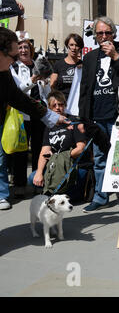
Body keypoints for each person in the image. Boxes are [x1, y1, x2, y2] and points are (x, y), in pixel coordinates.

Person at [78, 16, 119, 212]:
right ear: (95, 36)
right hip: (98, 116)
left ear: (114, 33)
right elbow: (85, 89)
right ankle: (101, 196)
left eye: (108, 32)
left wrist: (116, 57)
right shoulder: (90, 57)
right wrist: (83, 119)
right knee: (100, 158)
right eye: (100, 33)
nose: (104, 36)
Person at [0, 27, 68, 210]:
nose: (16, 60)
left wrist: (51, 116)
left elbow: (18, 98)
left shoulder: (4, 73)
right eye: (13, 57)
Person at [9, 31, 51, 197]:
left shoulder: (39, 64)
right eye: (20, 47)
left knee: (40, 149)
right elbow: (16, 91)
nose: (23, 50)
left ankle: (37, 180)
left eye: (26, 47)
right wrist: (32, 80)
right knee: (21, 150)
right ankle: (19, 183)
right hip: (23, 114)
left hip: (40, 112)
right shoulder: (14, 68)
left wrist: (45, 83)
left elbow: (46, 93)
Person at [28, 91, 87, 199]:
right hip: (56, 167)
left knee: (67, 194)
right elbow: (44, 152)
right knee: (32, 177)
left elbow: (80, 148)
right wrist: (39, 172)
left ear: (65, 105)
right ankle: (57, 192)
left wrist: (58, 158)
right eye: (54, 105)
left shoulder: (74, 121)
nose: (57, 108)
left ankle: (61, 193)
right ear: (49, 108)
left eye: (60, 104)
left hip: (74, 167)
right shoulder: (49, 126)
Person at [49, 33, 83, 99]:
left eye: (77, 45)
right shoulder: (58, 64)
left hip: (78, 103)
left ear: (80, 48)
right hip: (62, 103)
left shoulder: (83, 66)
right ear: (67, 46)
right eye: (71, 45)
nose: (74, 48)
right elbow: (52, 86)